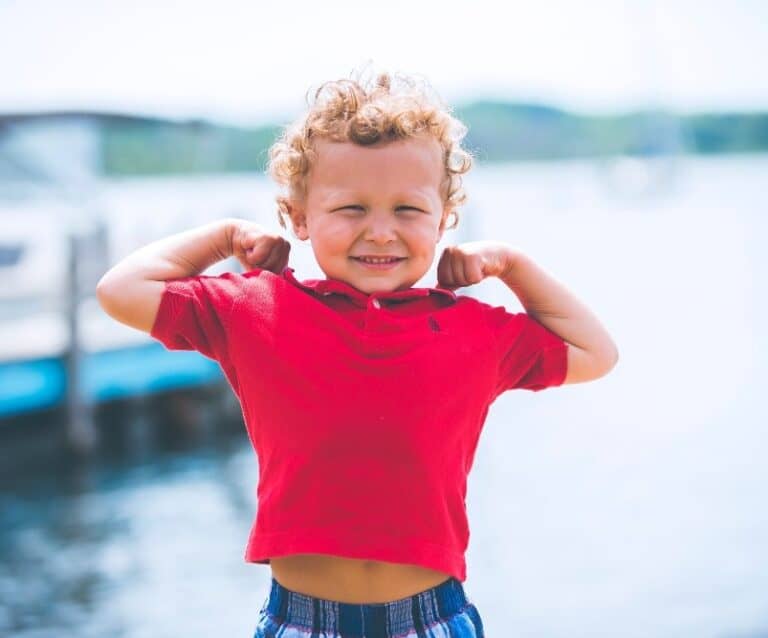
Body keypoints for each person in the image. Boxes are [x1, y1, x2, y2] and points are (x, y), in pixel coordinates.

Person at [96, 69, 619, 638]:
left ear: (444, 219)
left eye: (407, 210)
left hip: (432, 618)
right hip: (301, 620)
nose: (379, 231)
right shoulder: (255, 310)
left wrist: (513, 266)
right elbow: (119, 292)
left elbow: (595, 352)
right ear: (298, 217)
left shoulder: (474, 330)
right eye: (350, 209)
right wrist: (222, 238)